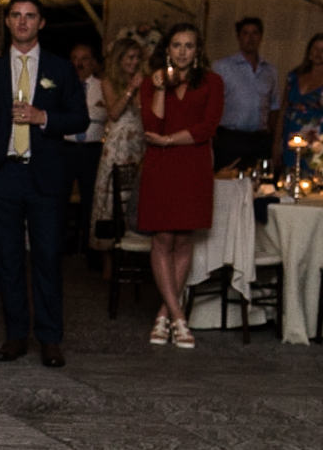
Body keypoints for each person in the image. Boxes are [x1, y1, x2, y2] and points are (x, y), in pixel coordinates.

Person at [0, 0, 88, 367]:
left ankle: (50, 339)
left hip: (45, 176)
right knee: (7, 259)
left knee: (48, 257)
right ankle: (16, 335)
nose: (22, 22)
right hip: (2, 175)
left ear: (41, 23)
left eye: (30, 16)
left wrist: (43, 118)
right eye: (16, 15)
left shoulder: (60, 68)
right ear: (7, 22)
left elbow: (80, 118)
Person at [135, 24, 223, 349]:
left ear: (197, 50)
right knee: (162, 237)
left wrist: (170, 140)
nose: (182, 51)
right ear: (167, 49)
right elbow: (151, 126)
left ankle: (164, 314)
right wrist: (160, 89)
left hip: (194, 165)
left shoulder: (213, 82)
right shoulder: (151, 82)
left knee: (184, 238)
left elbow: (207, 127)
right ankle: (179, 317)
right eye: (176, 45)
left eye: (189, 45)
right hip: (160, 166)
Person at [90, 34, 148, 257]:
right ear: (119, 59)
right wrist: (130, 89)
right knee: (114, 195)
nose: (134, 62)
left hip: (138, 142)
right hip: (118, 144)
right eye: (130, 57)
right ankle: (108, 251)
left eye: (137, 57)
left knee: (134, 193)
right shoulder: (108, 82)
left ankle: (134, 244)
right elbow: (114, 113)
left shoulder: (144, 82)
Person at [215, 16, 279, 170]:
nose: (250, 38)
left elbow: (274, 106)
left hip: (260, 139)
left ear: (261, 37)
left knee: (259, 180)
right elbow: (212, 102)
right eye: (245, 33)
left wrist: (274, 139)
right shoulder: (222, 67)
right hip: (231, 138)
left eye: (255, 33)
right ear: (238, 37)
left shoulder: (270, 71)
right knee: (228, 180)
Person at [63, 39, 106, 257]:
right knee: (61, 198)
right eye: (75, 59)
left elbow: (107, 114)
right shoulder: (63, 85)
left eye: (84, 59)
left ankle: (90, 250)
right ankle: (63, 245)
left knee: (90, 199)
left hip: (92, 149)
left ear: (93, 62)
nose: (79, 64)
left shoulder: (102, 86)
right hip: (66, 148)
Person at [283, 33, 323, 148]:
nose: (318, 53)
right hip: (291, 133)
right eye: (315, 48)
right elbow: (283, 109)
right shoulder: (294, 76)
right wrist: (276, 142)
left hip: (318, 137)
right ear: (309, 51)